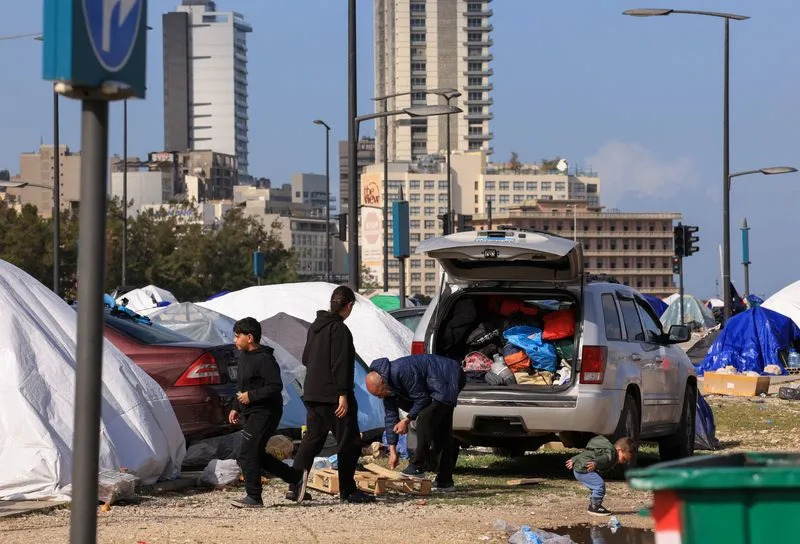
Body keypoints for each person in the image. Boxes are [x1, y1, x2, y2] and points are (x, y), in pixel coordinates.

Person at [288, 285, 375, 504]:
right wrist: (343, 394)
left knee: (311, 440)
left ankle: (294, 485)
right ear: (349, 306)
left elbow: (307, 358)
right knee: (349, 441)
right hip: (333, 396)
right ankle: (348, 490)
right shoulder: (340, 330)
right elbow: (341, 365)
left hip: (313, 393)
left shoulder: (315, 327)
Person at [228, 317, 307, 508]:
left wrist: (251, 397)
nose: (234, 340)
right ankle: (295, 477)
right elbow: (242, 387)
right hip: (251, 412)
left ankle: (254, 496)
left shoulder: (265, 359)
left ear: (250, 337)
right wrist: (236, 407)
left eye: (237, 336)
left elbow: (275, 386)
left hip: (266, 412)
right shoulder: (245, 357)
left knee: (246, 454)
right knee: (256, 454)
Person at [366, 354, 466, 492]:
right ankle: (445, 481)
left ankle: (418, 466)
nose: (380, 397)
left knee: (425, 418)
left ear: (383, 382)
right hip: (436, 385)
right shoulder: (388, 389)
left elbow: (422, 399)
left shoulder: (401, 371)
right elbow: (390, 418)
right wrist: (393, 450)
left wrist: (407, 420)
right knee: (442, 433)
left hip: (449, 376)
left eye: (380, 393)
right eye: (378, 396)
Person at [565, 435, 636, 516]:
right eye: (624, 458)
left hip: (580, 469)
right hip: (584, 470)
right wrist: (596, 463)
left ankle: (593, 504)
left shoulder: (605, 450)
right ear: (619, 450)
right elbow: (605, 458)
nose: (623, 462)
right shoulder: (611, 454)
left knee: (596, 485)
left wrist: (574, 459)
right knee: (599, 485)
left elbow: (589, 453)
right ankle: (595, 507)